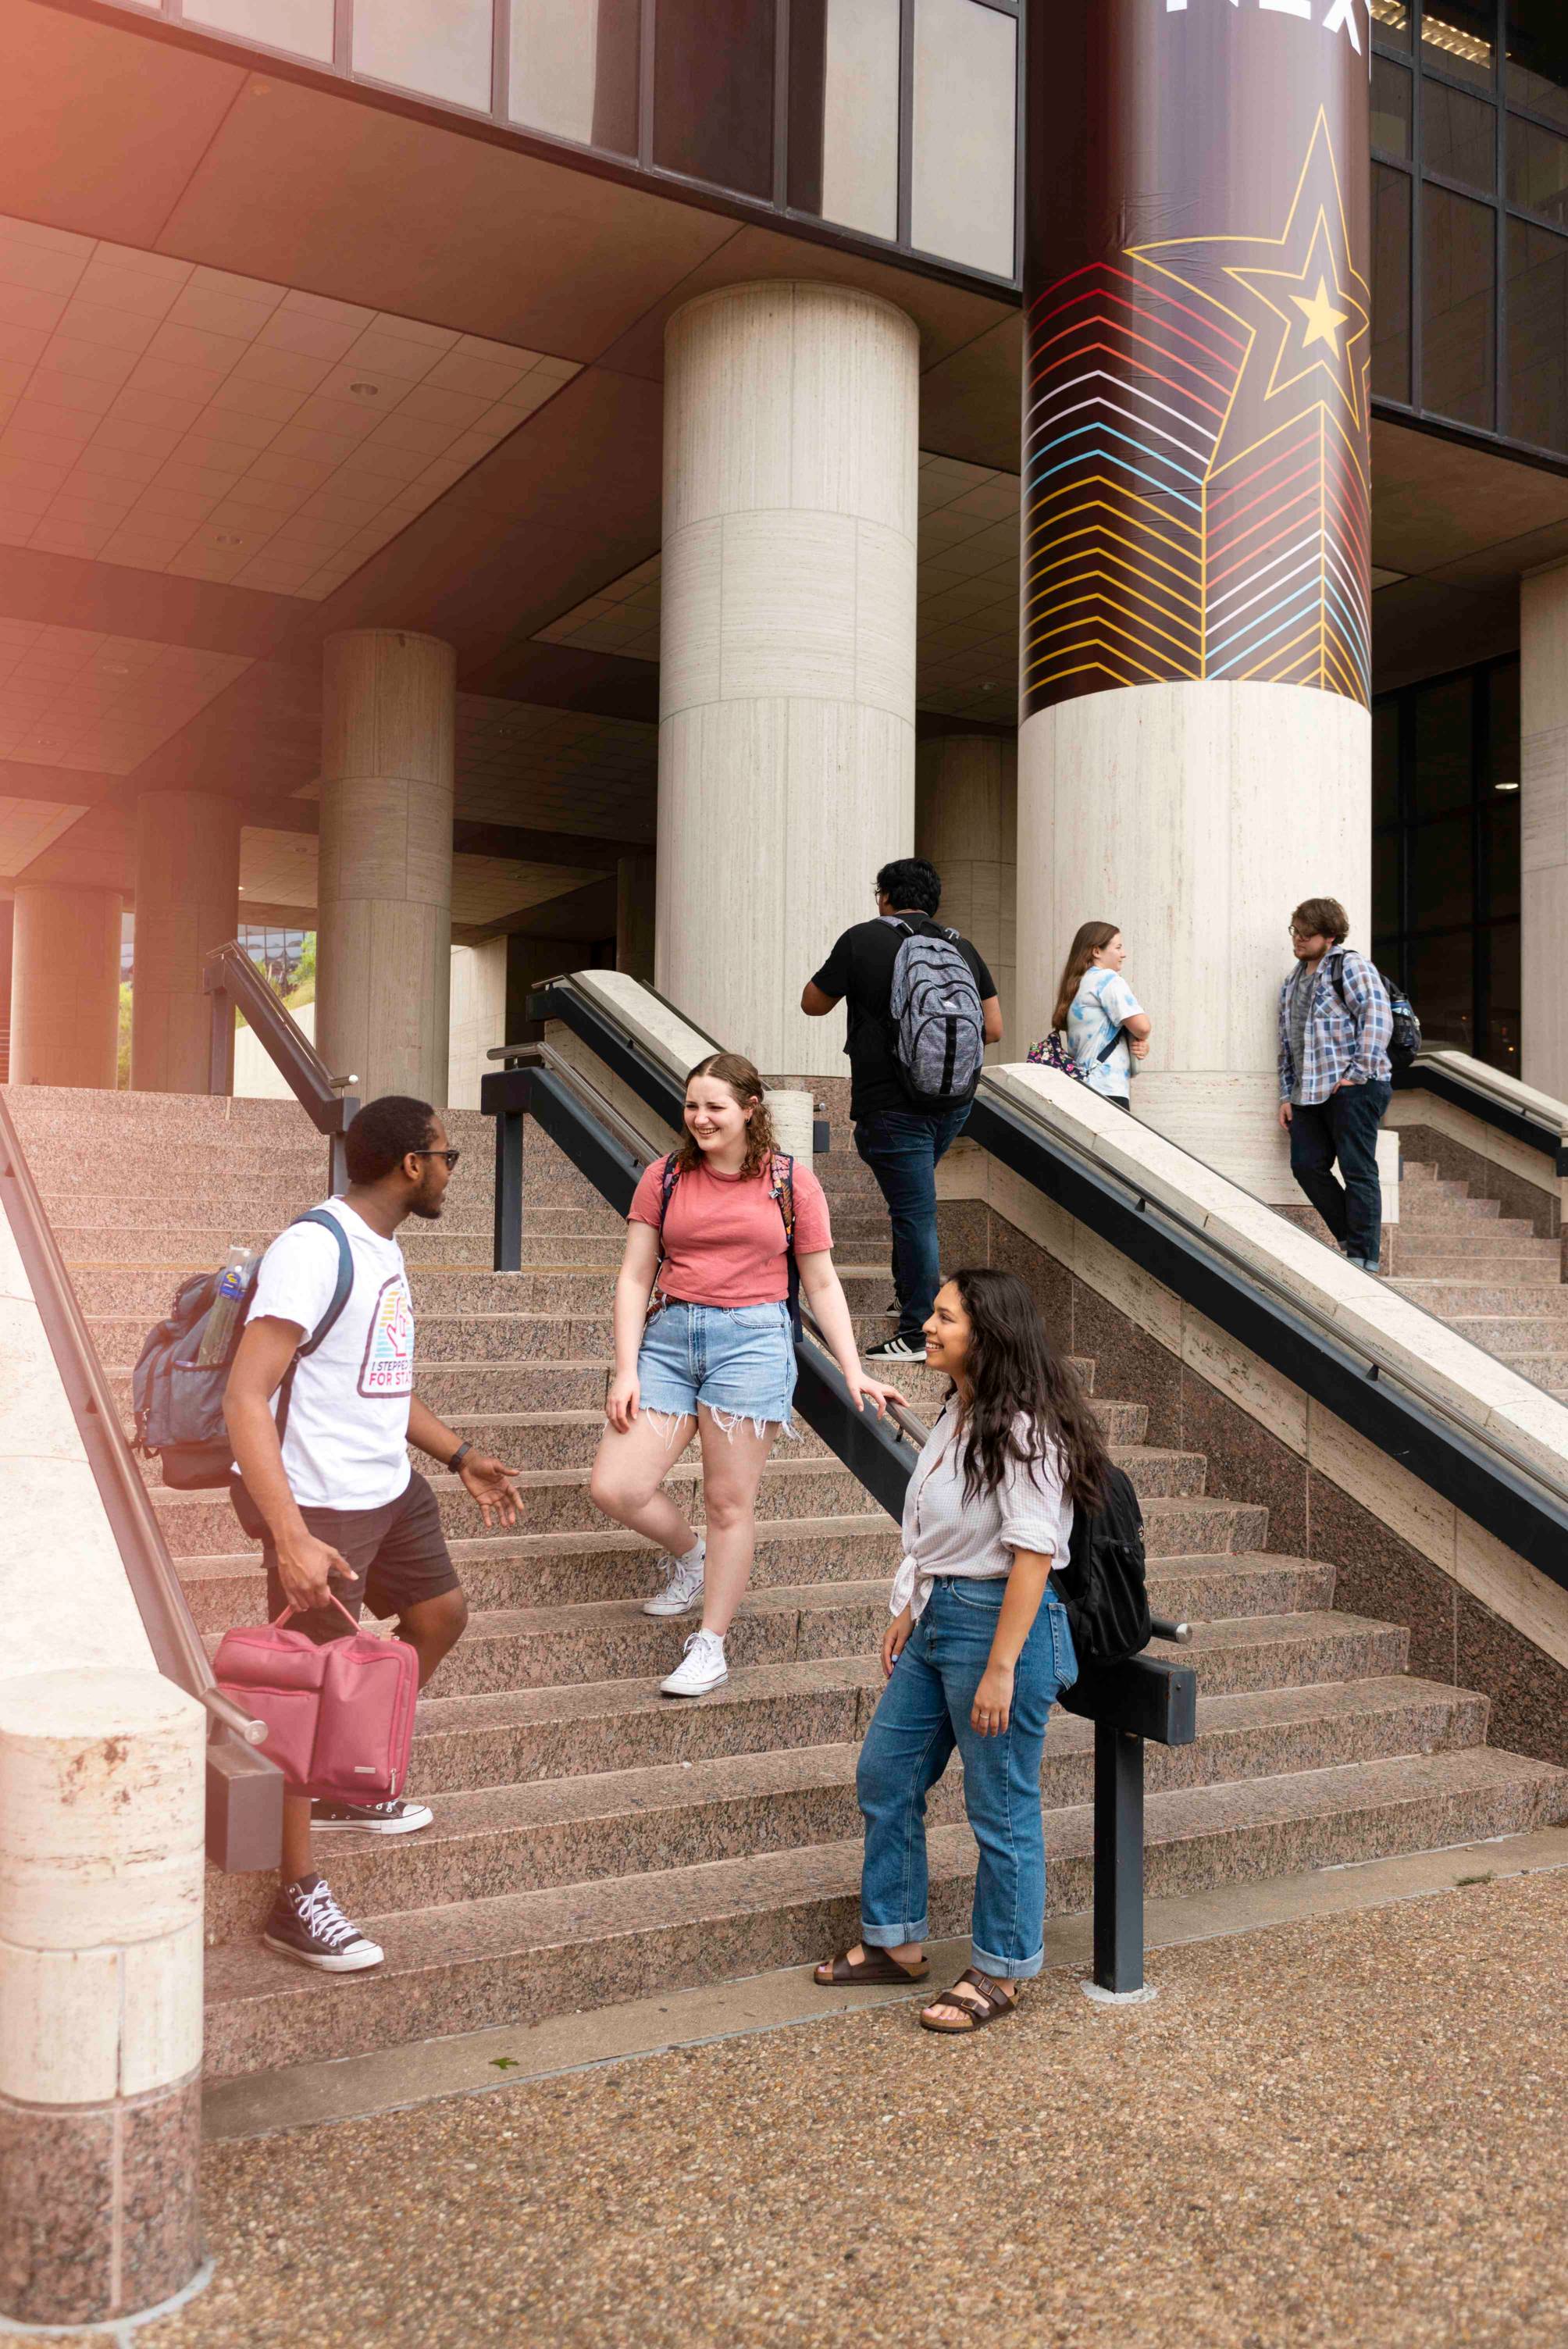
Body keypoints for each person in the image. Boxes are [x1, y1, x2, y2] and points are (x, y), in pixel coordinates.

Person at [224, 1095, 521, 1975]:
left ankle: (348, 1779)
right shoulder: (313, 1249)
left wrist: (460, 1453)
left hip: (386, 1487)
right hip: (317, 1503)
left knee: (441, 1615)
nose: (452, 1168)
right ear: (410, 1165)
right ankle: (294, 1895)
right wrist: (288, 1535)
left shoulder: (379, 1246)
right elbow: (247, 1396)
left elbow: (380, 1382)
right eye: (447, 1154)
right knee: (307, 1692)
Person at [813, 1267, 1101, 2033]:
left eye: (944, 1317)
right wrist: (910, 1603)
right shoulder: (959, 1411)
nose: (928, 1326)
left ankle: (1002, 1968)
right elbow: (937, 1527)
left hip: (999, 1623)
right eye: (932, 1314)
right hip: (943, 1614)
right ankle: (895, 1940)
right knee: (887, 1770)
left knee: (1001, 1803)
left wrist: (1003, 1665)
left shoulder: (1024, 1429)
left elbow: (1033, 1552)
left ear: (988, 1332)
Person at [588, 1051, 906, 1698]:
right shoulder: (666, 1176)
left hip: (754, 1343)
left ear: (749, 1109)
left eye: (715, 1107)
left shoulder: (790, 1182)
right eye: (692, 1106)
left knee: (728, 1502)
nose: (700, 1118)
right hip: (671, 1339)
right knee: (616, 1486)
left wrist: (854, 1369)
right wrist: (626, 1368)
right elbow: (633, 1275)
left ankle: (710, 1644)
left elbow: (820, 1280)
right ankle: (692, 1559)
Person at [802, 857, 1003, 1364]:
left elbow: (813, 1003)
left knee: (915, 1212)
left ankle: (918, 1329)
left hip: (891, 1104)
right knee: (910, 1205)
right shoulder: (960, 945)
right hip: (954, 1102)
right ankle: (907, 1294)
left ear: (885, 896)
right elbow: (994, 1029)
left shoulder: (863, 939)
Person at [1277, 896, 1394, 1272]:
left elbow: (1377, 1018)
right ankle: (1350, 1236)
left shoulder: (1351, 966)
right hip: (1308, 1092)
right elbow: (1287, 1042)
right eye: (1296, 931)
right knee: (1306, 1165)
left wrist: (1357, 1073)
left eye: (1307, 934)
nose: (1298, 939)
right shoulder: (1292, 981)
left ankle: (1364, 1259)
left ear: (1329, 936)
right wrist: (1286, 1094)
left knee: (1358, 1169)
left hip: (1354, 1085)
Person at [1050, 920, 1152, 1110]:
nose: (1123, 954)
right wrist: (1142, 1037)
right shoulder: (1107, 979)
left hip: (1082, 1087)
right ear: (1097, 951)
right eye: (1118, 947)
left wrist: (1136, 1044)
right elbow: (1142, 1026)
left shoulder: (1076, 985)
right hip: (1107, 1087)